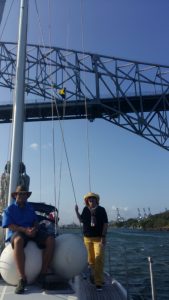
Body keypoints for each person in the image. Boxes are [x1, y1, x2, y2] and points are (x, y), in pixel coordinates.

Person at [2, 185, 55, 294]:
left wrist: (35, 229)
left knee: (50, 240)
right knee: (18, 241)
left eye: (25, 194)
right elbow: (10, 226)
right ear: (15, 195)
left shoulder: (30, 209)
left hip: (31, 231)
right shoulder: (9, 210)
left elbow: (35, 221)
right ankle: (22, 278)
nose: (22, 196)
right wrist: (24, 230)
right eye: (20, 194)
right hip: (18, 232)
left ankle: (42, 274)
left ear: (27, 196)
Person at [75, 192, 108, 291]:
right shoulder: (85, 209)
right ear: (86, 201)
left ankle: (98, 282)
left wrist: (103, 236)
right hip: (87, 238)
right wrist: (76, 211)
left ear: (96, 200)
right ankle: (94, 277)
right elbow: (81, 220)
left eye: (93, 199)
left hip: (98, 239)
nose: (91, 200)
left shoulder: (101, 210)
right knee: (91, 261)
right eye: (89, 199)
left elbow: (105, 224)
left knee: (99, 259)